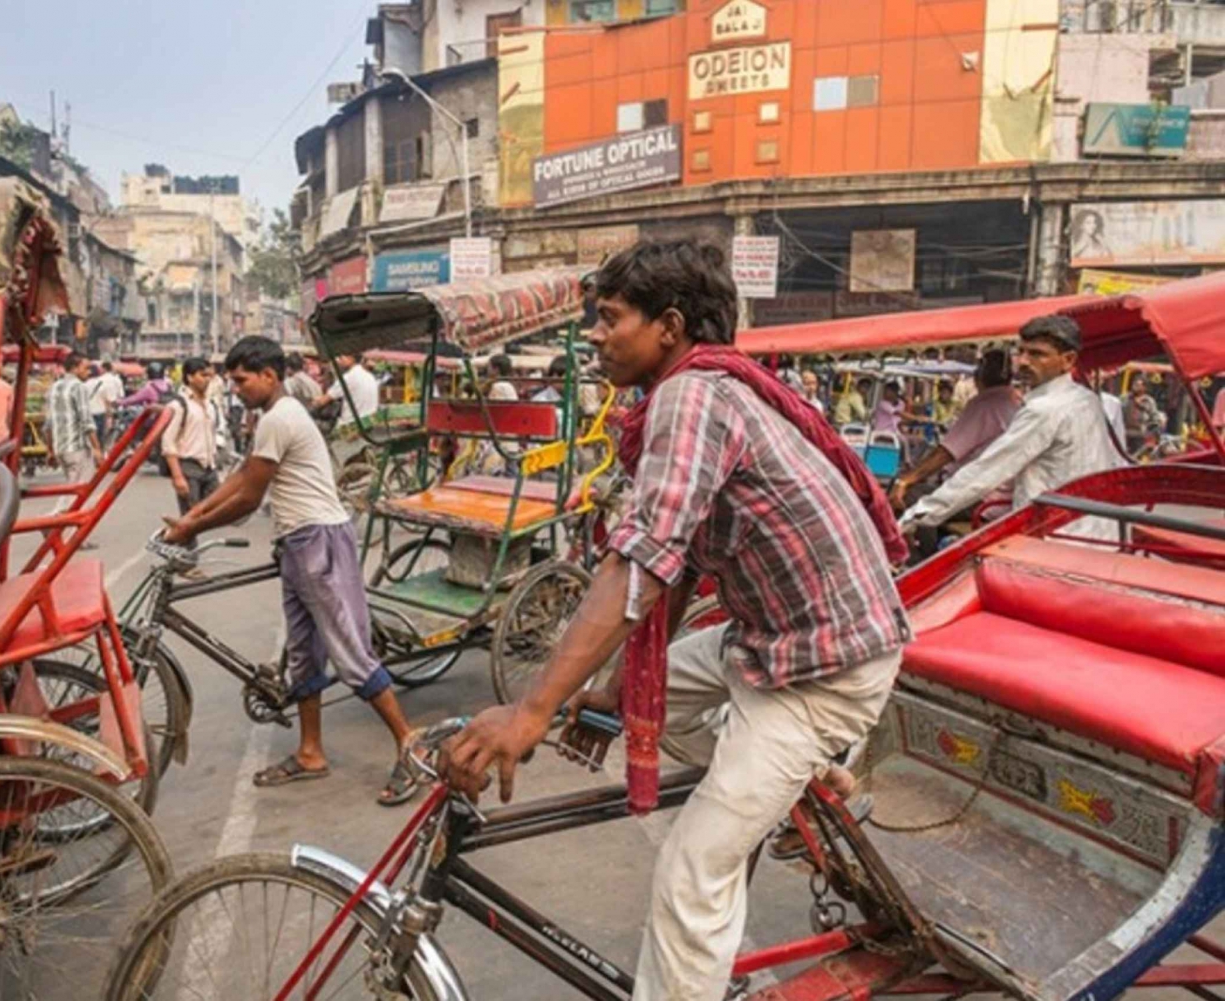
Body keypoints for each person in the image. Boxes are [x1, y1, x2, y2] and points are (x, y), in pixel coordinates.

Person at [444, 241, 909, 1001]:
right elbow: (672, 561)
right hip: (767, 643)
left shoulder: (693, 397)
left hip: (822, 670)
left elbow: (640, 563)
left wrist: (533, 709)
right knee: (631, 706)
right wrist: (600, 689)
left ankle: (789, 778)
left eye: (609, 318)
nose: (595, 334)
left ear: (668, 326)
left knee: (692, 873)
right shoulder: (700, 391)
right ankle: (802, 783)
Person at [162, 336, 428, 806]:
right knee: (304, 655)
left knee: (350, 655)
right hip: (299, 543)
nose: (237, 389)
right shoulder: (273, 419)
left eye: (242, 380)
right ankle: (310, 753)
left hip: (317, 541)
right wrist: (192, 516)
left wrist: (192, 528)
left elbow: (249, 497)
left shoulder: (281, 417)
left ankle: (412, 745)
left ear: (269, 375)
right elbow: (244, 475)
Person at [900, 315, 1123, 540]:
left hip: (1055, 535)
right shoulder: (1087, 399)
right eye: (1021, 352)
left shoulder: (1045, 409)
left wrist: (910, 520)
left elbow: (985, 472)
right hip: (1095, 532)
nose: (1024, 362)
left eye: (1037, 354)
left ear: (1068, 360)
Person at [890, 349, 1022, 512]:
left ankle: (913, 537)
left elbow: (945, 453)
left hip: (979, 496)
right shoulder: (1015, 402)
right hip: (998, 493)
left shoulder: (986, 404)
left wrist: (906, 480)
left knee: (908, 496)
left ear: (979, 377)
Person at [162, 358, 221, 557]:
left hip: (208, 466)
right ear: (190, 377)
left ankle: (169, 536)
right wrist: (177, 475)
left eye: (209, 376)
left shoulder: (210, 405)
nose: (207, 380)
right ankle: (187, 561)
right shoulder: (179, 405)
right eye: (203, 375)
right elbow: (168, 442)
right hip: (188, 466)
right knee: (189, 516)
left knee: (211, 509)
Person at [44, 354, 102, 533]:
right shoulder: (78, 387)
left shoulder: (54, 388)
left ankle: (59, 526)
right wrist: (97, 449)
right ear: (75, 368)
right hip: (76, 447)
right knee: (80, 492)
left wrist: (51, 449)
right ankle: (53, 522)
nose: (88, 371)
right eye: (85, 368)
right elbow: (86, 420)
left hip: (61, 447)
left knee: (71, 489)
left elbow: (48, 423)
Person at [313, 353, 380, 429]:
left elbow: (322, 401)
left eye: (341, 358)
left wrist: (314, 402)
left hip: (351, 424)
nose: (338, 361)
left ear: (351, 358)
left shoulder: (349, 377)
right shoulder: (370, 376)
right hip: (368, 423)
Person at [87, 360, 123, 445]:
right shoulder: (115, 380)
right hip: (101, 414)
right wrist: (110, 415)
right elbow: (112, 399)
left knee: (90, 440)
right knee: (101, 439)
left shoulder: (83, 385)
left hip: (88, 414)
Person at [1123, 379, 1163, 455]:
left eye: (1138, 385)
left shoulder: (1149, 401)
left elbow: (1154, 417)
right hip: (1125, 433)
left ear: (1144, 388)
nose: (1135, 387)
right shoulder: (1124, 398)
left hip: (1140, 434)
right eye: (1134, 385)